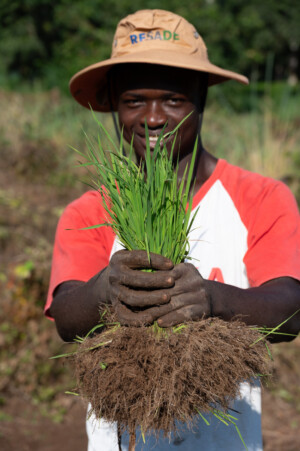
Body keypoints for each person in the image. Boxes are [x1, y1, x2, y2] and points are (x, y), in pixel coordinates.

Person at [45, 9, 300, 451]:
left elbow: (290, 309)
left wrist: (213, 299)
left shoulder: (260, 198)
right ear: (112, 105)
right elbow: (67, 316)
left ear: (201, 97)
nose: (154, 117)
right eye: (133, 101)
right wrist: (106, 289)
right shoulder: (89, 211)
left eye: (173, 99)